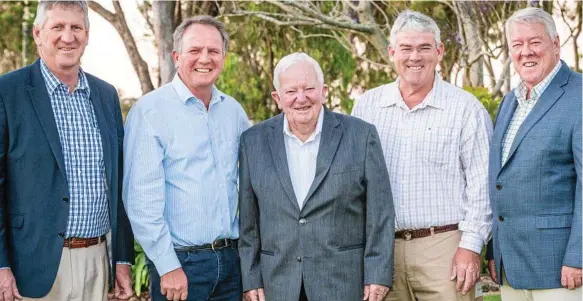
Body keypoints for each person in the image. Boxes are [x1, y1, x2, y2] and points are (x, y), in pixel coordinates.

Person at [352, 10, 493, 301]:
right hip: (383, 251)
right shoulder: (367, 107)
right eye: (406, 48)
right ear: (392, 53)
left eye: (424, 47)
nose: (414, 56)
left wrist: (470, 246)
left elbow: (482, 187)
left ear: (439, 51)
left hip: (445, 248)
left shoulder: (466, 109)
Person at [0, 1, 135, 300]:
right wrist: (1, 265)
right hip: (34, 265)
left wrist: (122, 259)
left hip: (97, 260)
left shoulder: (105, 95)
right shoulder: (7, 92)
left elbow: (118, 183)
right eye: (57, 27)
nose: (68, 36)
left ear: (87, 34)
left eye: (76, 27)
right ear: (37, 33)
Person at [238, 52, 395, 301]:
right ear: (278, 98)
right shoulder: (253, 141)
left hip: (343, 282)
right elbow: (249, 222)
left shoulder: (361, 136)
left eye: (308, 88)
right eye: (291, 91)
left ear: (323, 91)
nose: (301, 98)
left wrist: (378, 273)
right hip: (277, 285)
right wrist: (250, 277)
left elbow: (381, 213)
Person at [123, 16, 250, 301]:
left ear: (223, 58)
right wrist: (167, 266)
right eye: (195, 50)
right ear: (177, 56)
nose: (204, 58)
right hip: (182, 264)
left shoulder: (234, 113)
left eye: (213, 51)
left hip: (231, 263)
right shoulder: (150, 111)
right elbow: (141, 201)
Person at [486, 7, 582, 301]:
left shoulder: (579, 96)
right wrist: (494, 251)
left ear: (555, 44)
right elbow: (501, 179)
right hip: (511, 267)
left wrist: (578, 255)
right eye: (517, 44)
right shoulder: (509, 102)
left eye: (535, 42)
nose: (525, 52)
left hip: (560, 268)